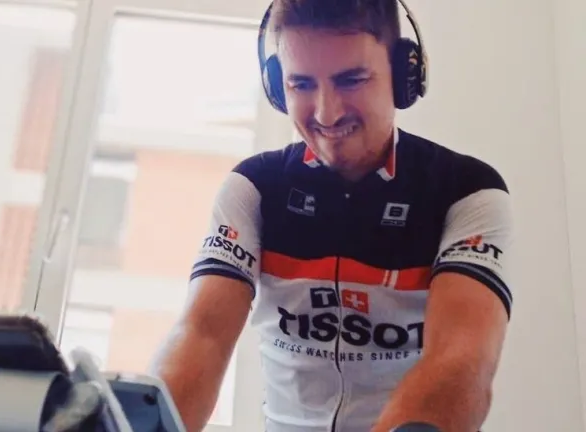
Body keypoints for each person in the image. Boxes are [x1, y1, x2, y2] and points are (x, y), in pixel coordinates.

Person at [148, 0, 513, 431]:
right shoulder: (253, 187)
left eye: (351, 80)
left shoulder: (467, 191)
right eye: (301, 84)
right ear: (276, 86)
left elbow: (461, 361)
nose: (326, 113)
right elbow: (202, 335)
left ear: (402, 75)